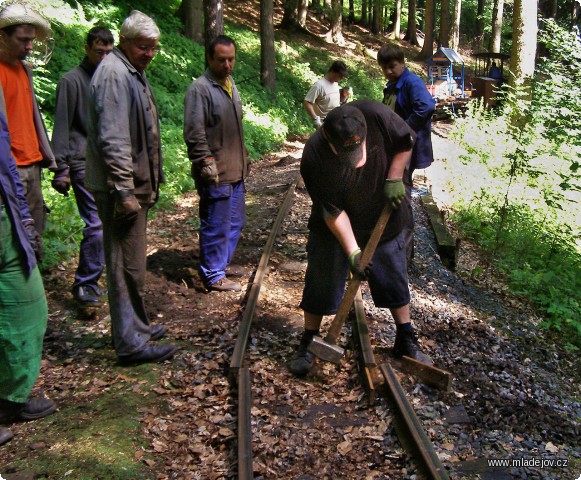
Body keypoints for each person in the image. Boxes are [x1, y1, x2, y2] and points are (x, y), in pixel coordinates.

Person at [289, 101, 432, 376]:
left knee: (391, 268)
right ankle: (309, 339)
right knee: (322, 273)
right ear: (327, 139)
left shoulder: (376, 115)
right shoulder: (314, 156)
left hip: (383, 208)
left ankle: (405, 337)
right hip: (336, 221)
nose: (356, 158)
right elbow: (332, 212)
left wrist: (395, 177)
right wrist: (353, 251)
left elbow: (406, 141)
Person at [86, 10, 177, 365]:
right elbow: (113, 138)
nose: (150, 54)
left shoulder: (131, 71)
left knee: (133, 264)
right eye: (144, 47)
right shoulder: (113, 75)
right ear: (124, 42)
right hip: (120, 190)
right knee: (125, 266)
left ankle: (136, 326)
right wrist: (123, 191)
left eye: (154, 47)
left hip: (134, 187)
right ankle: (130, 343)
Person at [0, 111, 56, 442]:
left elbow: (6, 162)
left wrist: (25, 219)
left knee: (30, 309)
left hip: (6, 224)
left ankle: (9, 398)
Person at [51, 27, 114, 307]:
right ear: (87, 48)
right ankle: (85, 284)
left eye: (108, 52)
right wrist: (60, 167)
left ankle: (97, 279)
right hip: (80, 161)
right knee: (96, 223)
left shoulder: (110, 80)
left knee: (110, 222)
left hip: (108, 161)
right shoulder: (71, 81)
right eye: (99, 51)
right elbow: (62, 125)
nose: (103, 57)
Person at [184, 35, 249, 292]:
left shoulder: (230, 84)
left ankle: (220, 264)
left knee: (235, 222)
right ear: (210, 58)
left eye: (231, 59)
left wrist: (244, 155)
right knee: (216, 223)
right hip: (216, 172)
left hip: (236, 169)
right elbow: (194, 132)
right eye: (221, 60)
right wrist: (205, 161)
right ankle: (212, 273)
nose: (227, 65)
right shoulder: (200, 89)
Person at [0, 3, 57, 239]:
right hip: (9, 170)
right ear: (2, 37)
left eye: (31, 39)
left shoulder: (25, 70)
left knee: (35, 234)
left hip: (32, 166)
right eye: (23, 39)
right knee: (13, 239)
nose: (29, 46)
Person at [377, 44, 435, 262]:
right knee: (395, 193)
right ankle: (393, 243)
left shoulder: (411, 83)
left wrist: (404, 131)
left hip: (405, 149)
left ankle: (403, 255)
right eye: (385, 68)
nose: (389, 71)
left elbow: (426, 107)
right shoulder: (392, 86)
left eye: (392, 66)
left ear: (402, 63)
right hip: (395, 147)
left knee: (401, 196)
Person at [303, 60, 349, 129]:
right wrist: (315, 118)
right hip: (324, 124)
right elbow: (307, 102)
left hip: (336, 121)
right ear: (333, 71)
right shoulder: (319, 86)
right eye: (340, 75)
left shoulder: (335, 84)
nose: (341, 78)